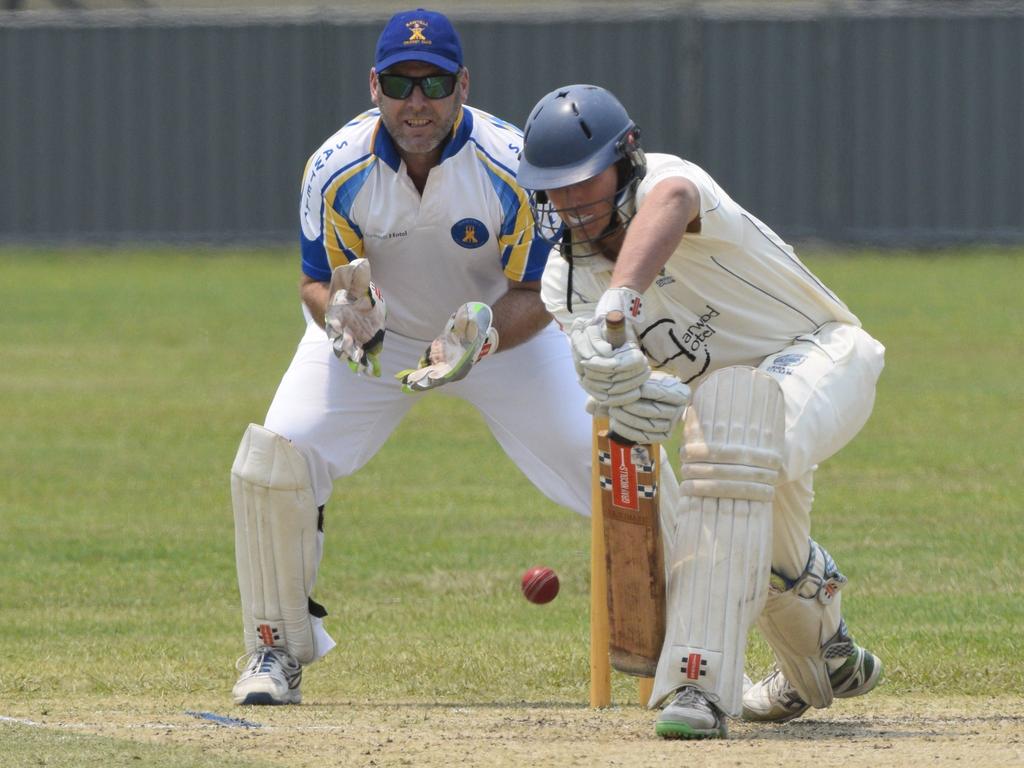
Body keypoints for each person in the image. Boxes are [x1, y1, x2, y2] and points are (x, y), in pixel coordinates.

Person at [228, 11, 646, 706]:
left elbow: (536, 292)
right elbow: (314, 278)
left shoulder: (514, 165)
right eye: (398, 83)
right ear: (374, 86)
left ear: (462, 86)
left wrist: (471, 343)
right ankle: (274, 649)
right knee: (278, 458)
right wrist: (340, 317)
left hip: (502, 338)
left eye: (434, 84)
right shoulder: (335, 169)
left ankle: (679, 645)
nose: (415, 102)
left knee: (606, 461)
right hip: (381, 339)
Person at [516, 84, 886, 739]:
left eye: (584, 179)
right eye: (554, 187)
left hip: (823, 357)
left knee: (727, 444)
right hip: (727, 420)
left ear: (624, 160)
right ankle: (822, 650)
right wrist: (623, 385)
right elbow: (615, 386)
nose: (571, 200)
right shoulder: (563, 282)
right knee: (743, 513)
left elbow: (674, 202)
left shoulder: (668, 180)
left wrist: (622, 298)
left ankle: (698, 681)